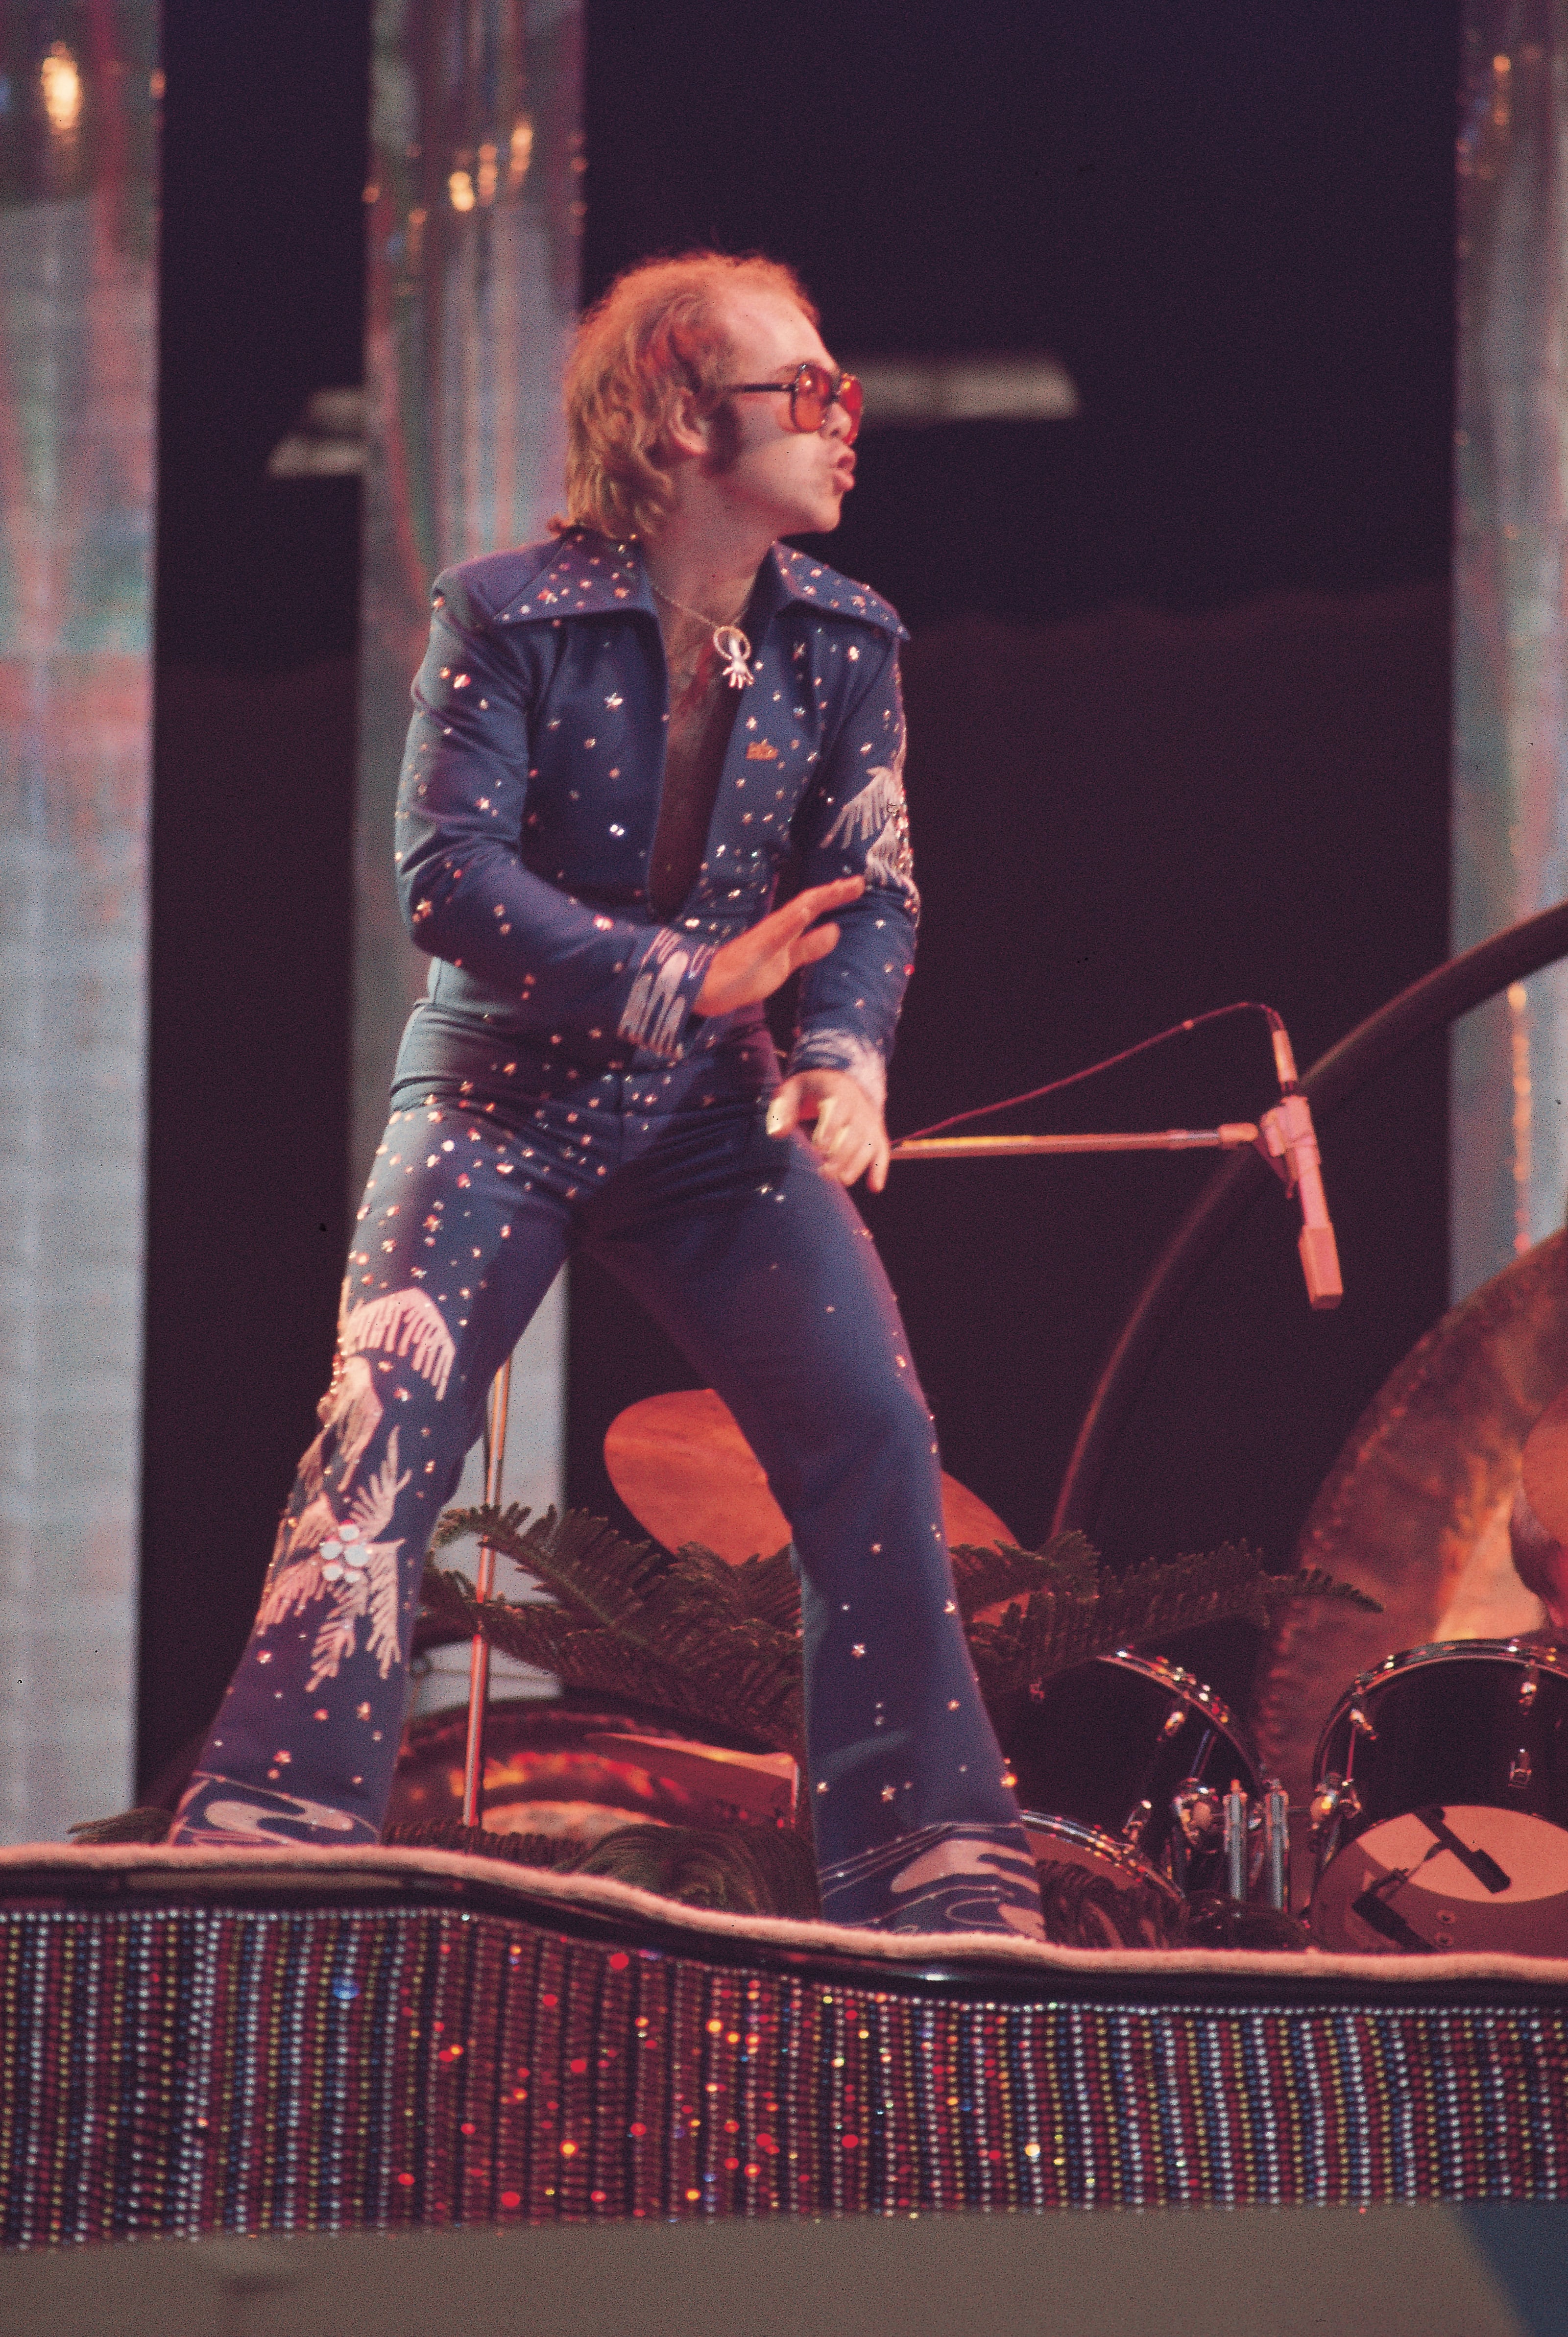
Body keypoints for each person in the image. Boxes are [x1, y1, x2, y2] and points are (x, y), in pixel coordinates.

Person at [169, 251, 1046, 1939]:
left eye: (841, 388)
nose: (843, 421)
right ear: (672, 415)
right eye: (807, 391)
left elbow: (871, 892)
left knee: (870, 1436)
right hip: (502, 1100)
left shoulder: (846, 642)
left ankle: (929, 1856)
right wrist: (679, 979)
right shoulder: (507, 614)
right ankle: (270, 1829)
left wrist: (844, 1063)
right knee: (381, 1440)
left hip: (713, 1127)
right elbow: (446, 878)